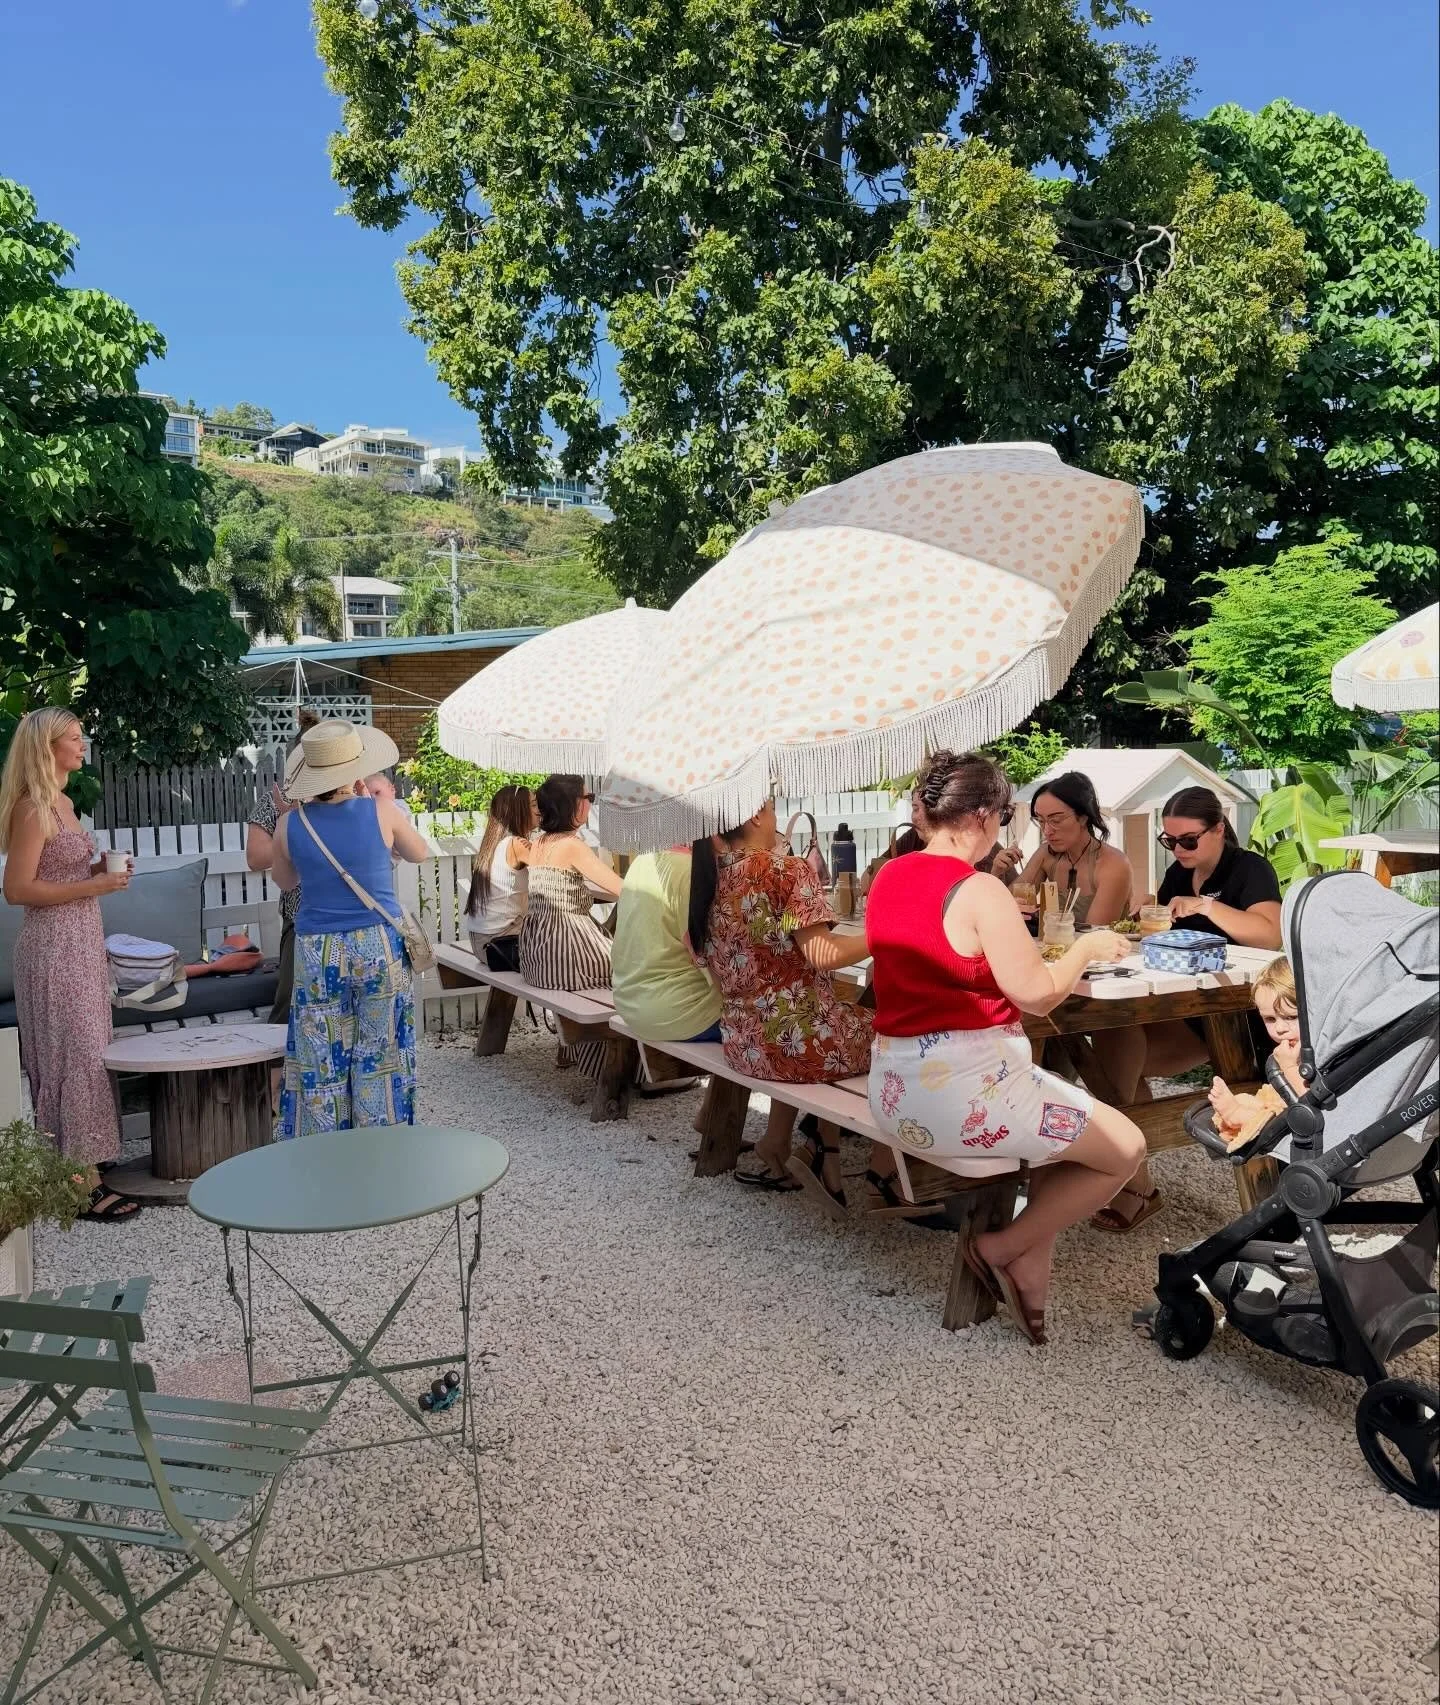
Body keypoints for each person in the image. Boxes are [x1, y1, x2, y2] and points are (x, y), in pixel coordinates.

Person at [864, 750, 1145, 1344]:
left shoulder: (890, 874)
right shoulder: (979, 890)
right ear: (989, 816)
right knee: (1126, 1147)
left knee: (1062, 1121)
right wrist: (1085, 953)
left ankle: (1030, 1269)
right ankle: (1003, 1245)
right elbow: (1038, 995)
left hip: (893, 1095)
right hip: (965, 1101)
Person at [1090, 785, 1283, 1232]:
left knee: (1116, 1060)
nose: (1178, 849)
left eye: (1188, 840)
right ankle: (1132, 1172)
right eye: (1169, 841)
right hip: (1183, 1007)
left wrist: (1209, 907)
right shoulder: (1180, 873)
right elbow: (1164, 928)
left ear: (1218, 830)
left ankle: (1126, 1174)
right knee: (1111, 1039)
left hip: (1236, 1017)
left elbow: (1269, 934)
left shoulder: (1248, 869)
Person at [688, 799, 874, 1208]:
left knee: (826, 1014)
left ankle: (802, 1145)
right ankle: (882, 1170)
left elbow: (710, 963)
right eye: (772, 808)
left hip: (743, 1043)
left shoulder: (710, 874)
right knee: (894, 1031)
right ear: (756, 816)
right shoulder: (786, 869)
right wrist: (891, 929)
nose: (776, 817)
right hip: (801, 1048)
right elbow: (823, 954)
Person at [0, 708, 140, 1220]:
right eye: (74, 738)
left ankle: (85, 1167)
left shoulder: (63, 802)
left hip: (81, 942)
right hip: (53, 948)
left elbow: (59, 872)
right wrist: (95, 884)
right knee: (71, 1056)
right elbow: (17, 889)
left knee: (89, 1051)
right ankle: (79, 1183)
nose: (84, 745)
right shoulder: (31, 808)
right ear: (46, 747)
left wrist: (100, 869)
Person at [268, 720, 430, 1139]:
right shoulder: (380, 809)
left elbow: (285, 882)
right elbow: (418, 852)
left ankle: (325, 1150)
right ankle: (380, 1144)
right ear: (354, 768)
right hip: (377, 941)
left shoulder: (290, 823)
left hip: (318, 948)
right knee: (380, 1049)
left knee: (320, 1052)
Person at [519, 775, 623, 1080]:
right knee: (631, 970)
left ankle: (572, 1051)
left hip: (538, 953)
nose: (591, 802)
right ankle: (620, 1068)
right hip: (567, 949)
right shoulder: (572, 846)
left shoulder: (538, 843)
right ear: (575, 806)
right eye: (588, 797)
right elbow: (621, 889)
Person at [246, 706, 322, 1025]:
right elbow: (256, 858)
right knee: (290, 1003)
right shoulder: (278, 799)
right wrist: (290, 826)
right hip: (301, 918)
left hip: (346, 917)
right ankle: (280, 1072)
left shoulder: (342, 798)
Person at [612, 847, 722, 1045]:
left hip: (628, 1003)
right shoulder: (692, 872)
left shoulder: (642, 860)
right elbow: (715, 967)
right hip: (679, 1014)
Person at [1011, 771, 1134, 927]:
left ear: (1083, 817)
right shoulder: (1047, 854)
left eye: (1056, 820)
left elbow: (1094, 935)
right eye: (1041, 821)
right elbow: (1006, 907)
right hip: (1057, 948)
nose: (1047, 830)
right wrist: (998, 871)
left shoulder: (1113, 864)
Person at [1208, 956, 1303, 1138]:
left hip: (1304, 1119)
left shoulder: (1322, 1050)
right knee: (1252, 1100)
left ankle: (1237, 1116)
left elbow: (1307, 1102)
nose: (1280, 1028)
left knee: (1268, 1117)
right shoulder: (1293, 1047)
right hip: (1286, 1105)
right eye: (1270, 1019)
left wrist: (1290, 1068)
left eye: (1291, 1017)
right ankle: (1238, 1110)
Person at [466, 784, 537, 973]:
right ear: (518, 810)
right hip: (501, 945)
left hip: (482, 943)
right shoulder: (515, 844)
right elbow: (552, 871)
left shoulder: (493, 843)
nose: (539, 811)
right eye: (534, 805)